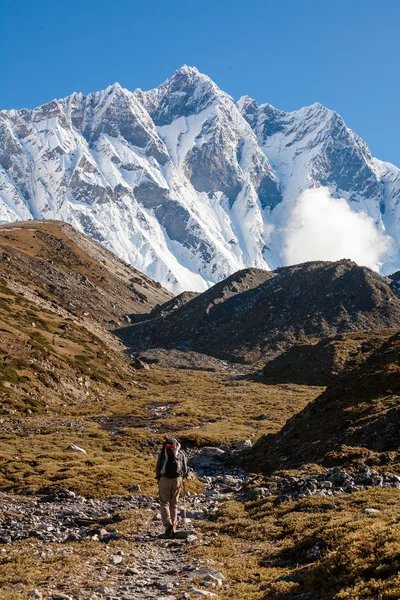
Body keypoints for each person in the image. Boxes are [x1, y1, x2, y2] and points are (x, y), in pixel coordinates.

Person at [156, 437, 188, 538]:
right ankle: (173, 527)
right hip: (177, 480)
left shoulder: (163, 454)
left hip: (164, 480)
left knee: (164, 503)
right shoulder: (180, 454)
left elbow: (158, 467)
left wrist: (158, 479)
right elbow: (185, 469)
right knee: (174, 504)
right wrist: (183, 478)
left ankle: (167, 523)